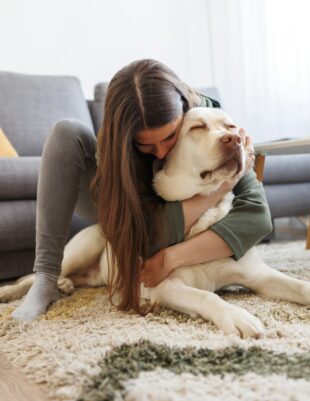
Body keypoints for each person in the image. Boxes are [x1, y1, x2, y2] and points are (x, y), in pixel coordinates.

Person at [12, 59, 272, 321]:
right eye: (146, 146)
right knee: (67, 131)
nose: (160, 152)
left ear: (184, 109)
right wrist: (222, 187)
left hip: (167, 218)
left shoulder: (210, 121)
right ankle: (45, 278)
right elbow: (142, 238)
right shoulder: (117, 143)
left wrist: (171, 258)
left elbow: (258, 217)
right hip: (121, 207)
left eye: (169, 137)